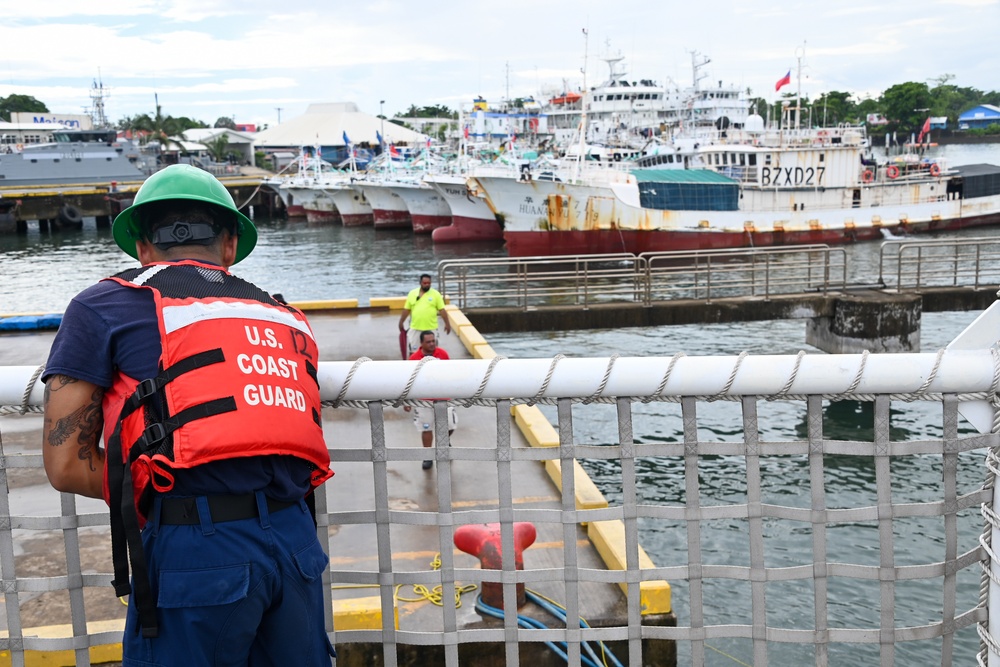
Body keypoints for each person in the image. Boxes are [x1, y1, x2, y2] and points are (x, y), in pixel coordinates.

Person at [41, 164, 336, 666]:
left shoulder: (103, 305)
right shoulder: (281, 313)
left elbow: (65, 464)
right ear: (228, 247)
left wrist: (154, 477)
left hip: (195, 552)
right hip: (296, 546)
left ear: (142, 247)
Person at [405, 331, 457, 470]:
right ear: (421, 343)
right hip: (424, 401)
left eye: (433, 341)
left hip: (444, 399)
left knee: (450, 426)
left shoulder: (443, 354)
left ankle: (445, 442)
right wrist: (407, 401)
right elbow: (409, 381)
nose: (432, 344)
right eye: (428, 342)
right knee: (426, 428)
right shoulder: (414, 359)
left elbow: (451, 374)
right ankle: (428, 455)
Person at [398, 273, 450, 358]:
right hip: (415, 328)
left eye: (429, 283)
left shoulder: (436, 294)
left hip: (431, 328)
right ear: (420, 283)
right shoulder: (412, 293)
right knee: (413, 351)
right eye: (425, 283)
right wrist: (401, 322)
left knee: (433, 351)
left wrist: (447, 324)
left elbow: (442, 310)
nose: (427, 285)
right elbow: (407, 309)